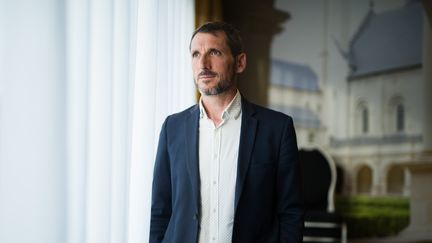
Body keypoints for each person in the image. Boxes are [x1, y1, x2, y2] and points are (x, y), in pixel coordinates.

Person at [150, 22, 304, 243]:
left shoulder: (277, 129)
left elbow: (291, 213)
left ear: (240, 62)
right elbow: (160, 211)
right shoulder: (172, 128)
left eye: (214, 52)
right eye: (195, 54)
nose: (203, 63)